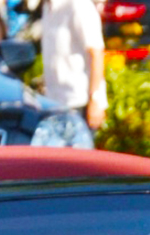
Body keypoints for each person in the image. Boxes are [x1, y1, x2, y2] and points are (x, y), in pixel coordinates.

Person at [31, 0, 104, 148]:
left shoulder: (78, 5)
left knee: (81, 165)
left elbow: (96, 53)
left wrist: (95, 100)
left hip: (79, 103)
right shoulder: (47, 8)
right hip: (55, 103)